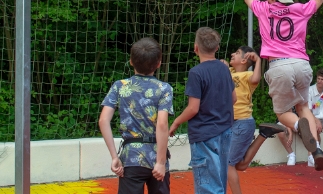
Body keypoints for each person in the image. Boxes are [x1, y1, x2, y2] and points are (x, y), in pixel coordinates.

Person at [242, 0, 323, 171]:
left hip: (279, 65)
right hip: (301, 64)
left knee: (282, 113)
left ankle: (299, 127)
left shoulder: (264, 8)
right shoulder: (300, 9)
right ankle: (315, 152)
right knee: (303, 107)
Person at [99, 37, 174, 194]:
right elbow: (162, 124)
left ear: (131, 61)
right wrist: (160, 162)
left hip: (131, 157)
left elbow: (103, 120)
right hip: (157, 157)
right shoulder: (164, 88)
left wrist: (114, 157)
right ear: (159, 63)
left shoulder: (119, 86)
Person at [169, 27, 236, 194]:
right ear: (217, 47)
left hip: (205, 133)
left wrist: (176, 122)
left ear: (195, 47)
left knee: (208, 186)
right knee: (219, 180)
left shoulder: (196, 73)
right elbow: (234, 98)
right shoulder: (224, 69)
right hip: (225, 130)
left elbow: (193, 108)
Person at [224, 46, 287, 194]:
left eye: (237, 53)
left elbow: (256, 78)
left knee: (228, 164)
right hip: (231, 123)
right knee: (239, 165)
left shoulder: (248, 75)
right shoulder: (231, 72)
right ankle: (264, 134)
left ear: (245, 60)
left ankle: (264, 134)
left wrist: (258, 60)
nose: (232, 54)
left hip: (242, 123)